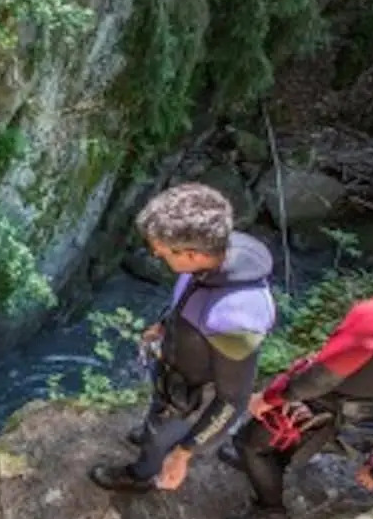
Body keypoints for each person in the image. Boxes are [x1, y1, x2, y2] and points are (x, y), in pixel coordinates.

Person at [89, 182, 277, 493]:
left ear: (191, 254)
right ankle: (152, 433)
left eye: (161, 251)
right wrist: (164, 325)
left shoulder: (235, 317)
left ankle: (141, 475)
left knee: (162, 435)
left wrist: (184, 453)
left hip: (190, 393)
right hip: (175, 363)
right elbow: (188, 298)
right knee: (156, 422)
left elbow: (233, 400)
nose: (155, 253)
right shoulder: (213, 257)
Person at [222, 296, 373, 519]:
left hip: (331, 411)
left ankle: (272, 513)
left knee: (250, 444)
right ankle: (270, 468)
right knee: (267, 442)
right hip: (364, 419)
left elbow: (319, 379)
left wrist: (270, 398)